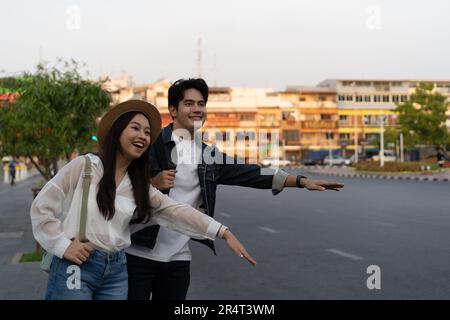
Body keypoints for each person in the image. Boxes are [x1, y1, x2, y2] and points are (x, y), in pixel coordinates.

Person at [126, 79, 344, 300]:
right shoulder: (150, 144)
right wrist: (151, 183)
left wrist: (298, 181)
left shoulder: (208, 156)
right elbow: (118, 181)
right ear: (173, 110)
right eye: (189, 103)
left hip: (177, 259)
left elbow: (251, 172)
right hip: (137, 253)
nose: (197, 109)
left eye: (201, 104)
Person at [30, 100, 255, 300]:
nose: (143, 136)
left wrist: (223, 232)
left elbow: (177, 211)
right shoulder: (86, 167)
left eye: (147, 133)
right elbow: (42, 206)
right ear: (117, 131)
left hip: (116, 272)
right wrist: (63, 245)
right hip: (77, 266)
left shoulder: (140, 187)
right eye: (135, 128)